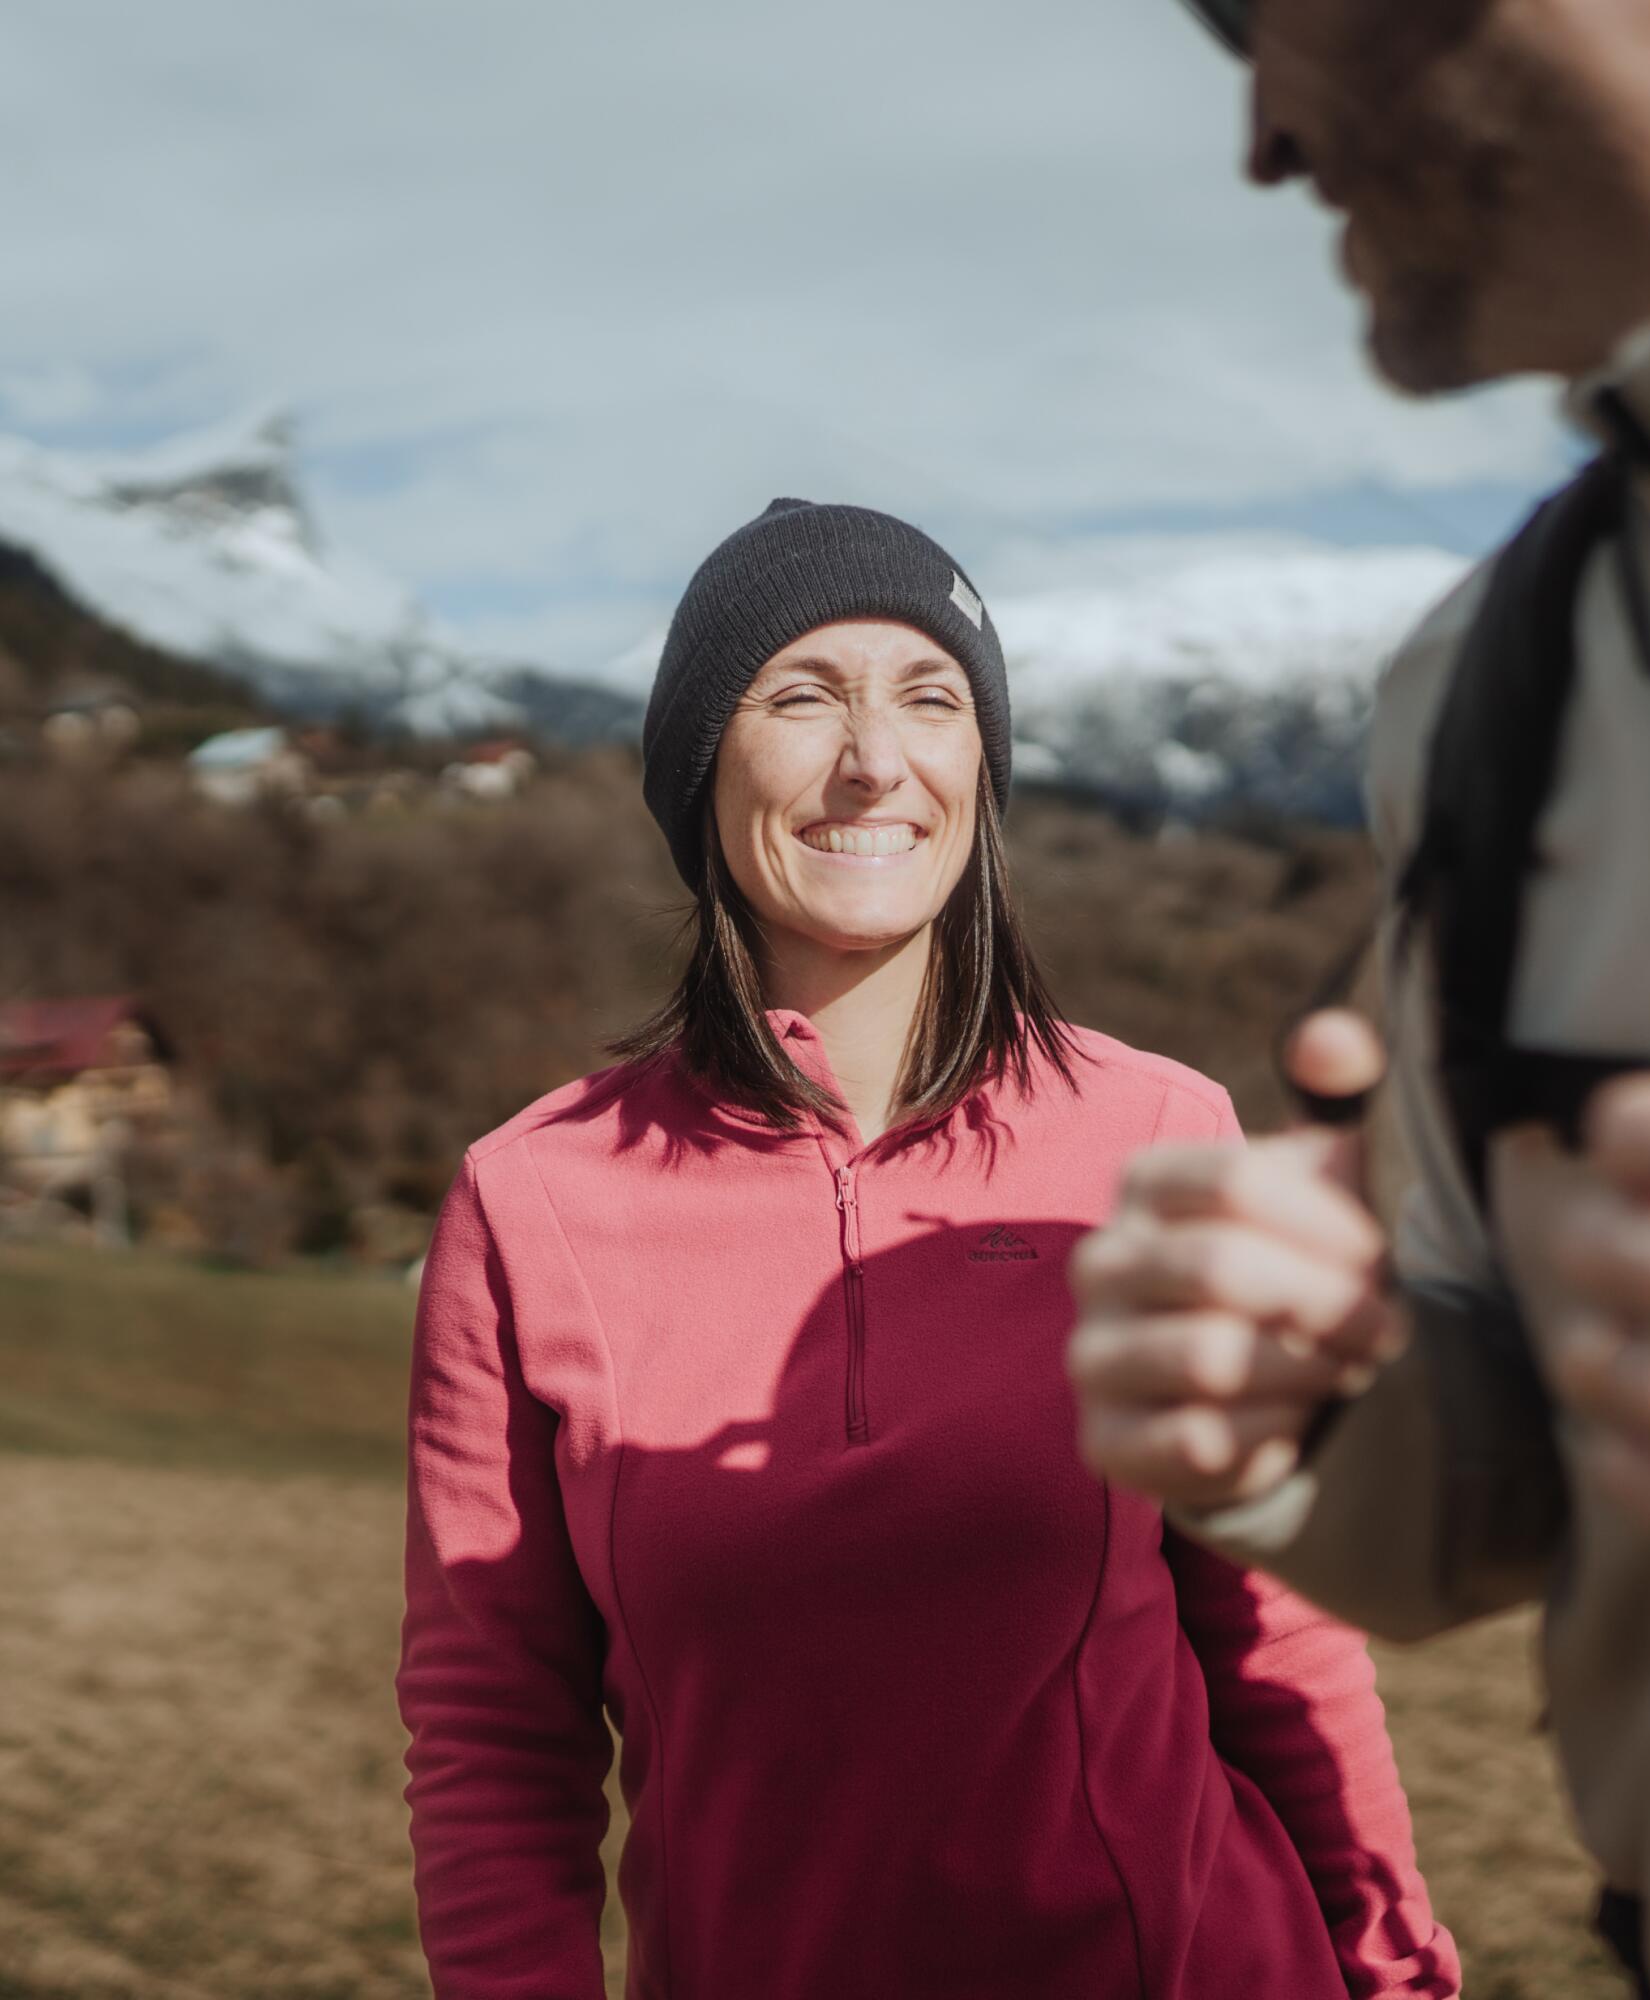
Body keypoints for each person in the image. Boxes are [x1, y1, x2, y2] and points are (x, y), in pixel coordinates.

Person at [1067, 5, 1650, 1998]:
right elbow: (1516, 1471)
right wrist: (1307, 1400)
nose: (1261, 135)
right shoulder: (1493, 679)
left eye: (1252, 13)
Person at [396, 498, 1459, 1999]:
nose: (874, 760)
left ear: (982, 766)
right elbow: (493, 1724)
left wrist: (1397, 1973)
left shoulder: (1163, 1134)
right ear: (701, 766)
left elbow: (1277, 1635)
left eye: (930, 698)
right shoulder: (531, 1202)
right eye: (801, 696)